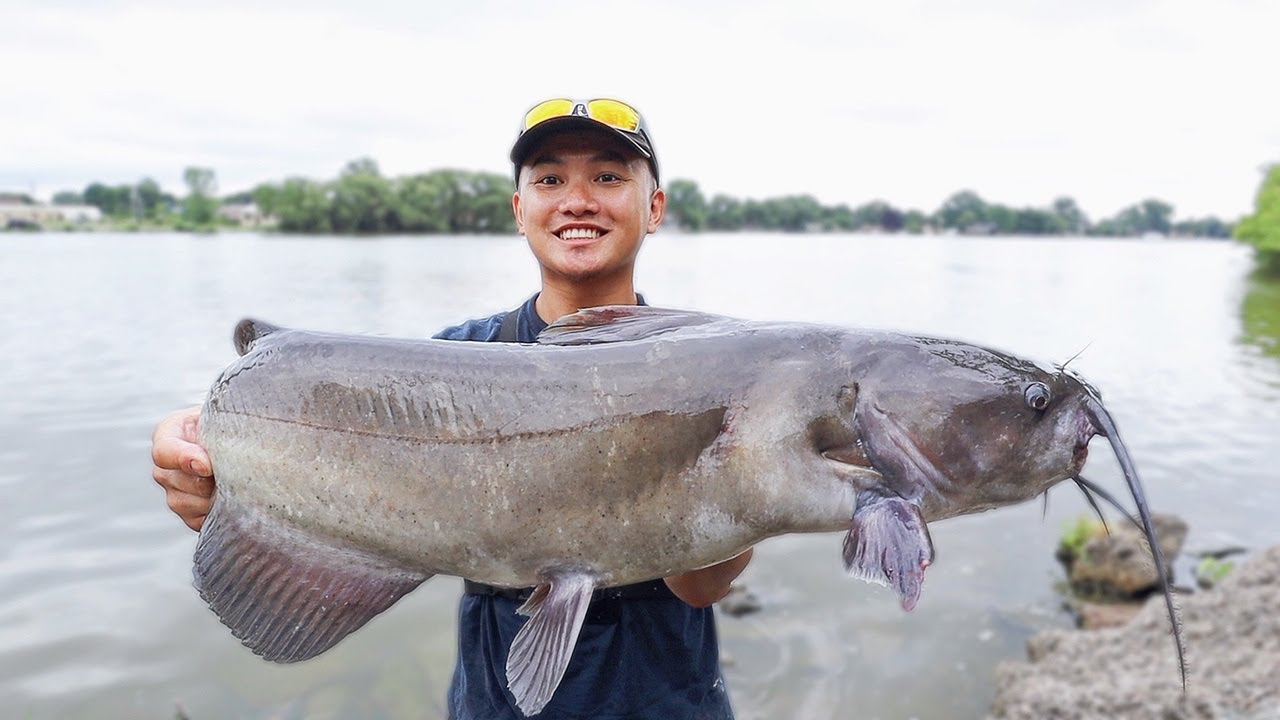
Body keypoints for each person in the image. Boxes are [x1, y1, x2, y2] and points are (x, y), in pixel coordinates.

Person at [151, 97, 753, 719]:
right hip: (496, 702)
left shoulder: (704, 369)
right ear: (521, 211)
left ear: (653, 206)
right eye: (550, 179)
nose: (578, 199)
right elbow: (294, 410)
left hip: (668, 701)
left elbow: (703, 584)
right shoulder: (454, 361)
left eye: (608, 176)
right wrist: (199, 451)